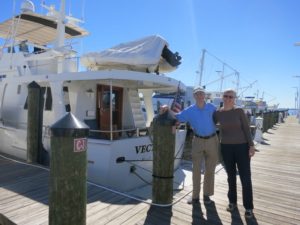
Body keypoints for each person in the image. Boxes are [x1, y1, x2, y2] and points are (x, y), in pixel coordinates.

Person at [161, 86, 219, 205]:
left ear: (205, 95)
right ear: (194, 96)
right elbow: (177, 117)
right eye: (197, 94)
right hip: (197, 140)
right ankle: (195, 196)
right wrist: (167, 109)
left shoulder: (212, 107)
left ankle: (207, 195)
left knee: (210, 170)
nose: (200, 96)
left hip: (212, 140)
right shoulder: (189, 110)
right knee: (196, 169)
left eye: (201, 93)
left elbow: (221, 118)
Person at [213, 89, 255, 219]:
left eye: (231, 97)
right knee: (230, 176)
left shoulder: (239, 111)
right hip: (226, 147)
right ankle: (232, 202)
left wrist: (251, 145)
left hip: (242, 147)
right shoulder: (218, 113)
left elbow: (246, 129)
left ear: (234, 99)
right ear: (222, 97)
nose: (228, 98)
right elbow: (208, 122)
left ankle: (248, 207)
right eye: (225, 96)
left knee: (245, 178)